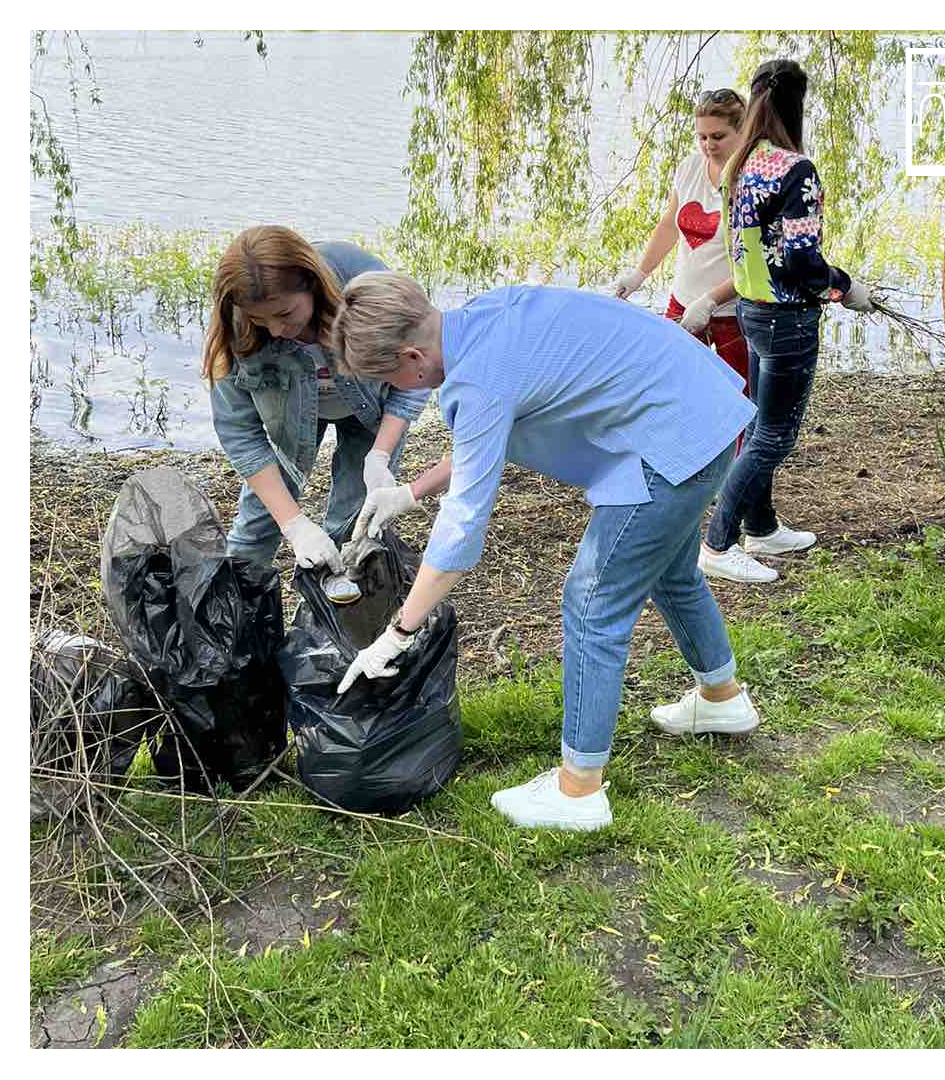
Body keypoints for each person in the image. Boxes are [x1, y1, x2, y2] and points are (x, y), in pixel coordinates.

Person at [327, 274, 760, 832]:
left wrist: (399, 632)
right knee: (671, 571)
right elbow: (489, 434)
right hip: (703, 411)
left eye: (389, 377)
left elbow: (461, 530)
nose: (399, 387)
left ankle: (578, 791)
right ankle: (722, 699)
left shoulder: (477, 382)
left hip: (673, 443)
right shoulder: (485, 315)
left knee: (592, 603)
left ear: (411, 356)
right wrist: (409, 493)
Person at [698, 60, 872, 585]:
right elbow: (801, 259)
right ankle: (717, 542)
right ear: (798, 105)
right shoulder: (795, 169)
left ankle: (762, 525)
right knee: (775, 433)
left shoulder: (741, 164)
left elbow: (746, 249)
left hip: (752, 310)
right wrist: (844, 285)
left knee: (758, 424)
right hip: (787, 318)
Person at [202, 227, 430, 571]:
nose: (276, 330)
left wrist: (380, 455)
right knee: (257, 526)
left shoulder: (365, 286)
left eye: (284, 314)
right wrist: (294, 526)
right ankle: (231, 612)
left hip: (371, 413)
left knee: (357, 520)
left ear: (311, 283)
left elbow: (417, 371)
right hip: (291, 416)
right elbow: (240, 433)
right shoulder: (236, 323)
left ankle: (335, 612)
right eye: (259, 320)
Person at [614, 88, 750, 402]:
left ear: (741, 132)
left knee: (735, 399)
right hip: (682, 305)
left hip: (732, 313)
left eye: (718, 136)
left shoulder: (750, 182)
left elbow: (754, 261)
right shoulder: (690, 168)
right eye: (701, 137)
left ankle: (736, 453)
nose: (708, 145)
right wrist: (639, 274)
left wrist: (710, 302)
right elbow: (669, 225)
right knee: (674, 390)